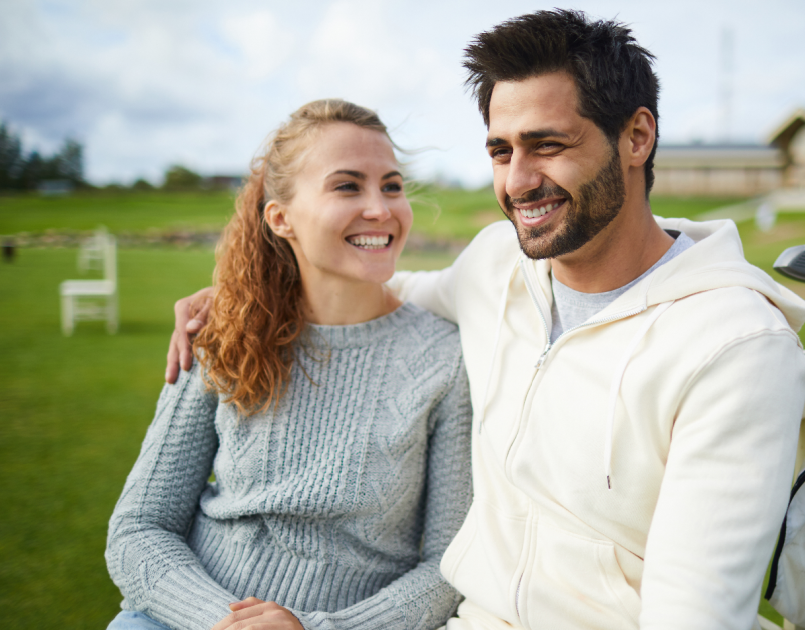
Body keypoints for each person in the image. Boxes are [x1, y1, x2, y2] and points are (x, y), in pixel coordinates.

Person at [167, 11, 805, 630]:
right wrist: (236, 298)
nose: (519, 181)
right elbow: (386, 292)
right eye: (501, 151)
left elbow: (693, 613)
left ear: (636, 137)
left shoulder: (736, 345)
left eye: (547, 145)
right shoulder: (497, 264)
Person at [106, 99, 472, 630]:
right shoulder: (222, 334)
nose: (381, 208)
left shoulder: (444, 359)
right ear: (281, 219)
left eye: (391, 185)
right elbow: (140, 527)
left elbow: (448, 566)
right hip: (181, 619)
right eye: (348, 186)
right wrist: (223, 622)